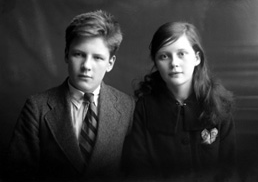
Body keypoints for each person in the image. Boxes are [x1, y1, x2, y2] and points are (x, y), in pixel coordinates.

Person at [5, 10, 135, 181]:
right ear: (67, 54)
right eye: (79, 54)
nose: (87, 66)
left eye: (97, 58)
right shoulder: (37, 107)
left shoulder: (127, 107)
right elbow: (18, 173)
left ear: (110, 63)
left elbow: (133, 171)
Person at [123, 22, 236, 181]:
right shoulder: (144, 107)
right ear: (156, 63)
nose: (174, 63)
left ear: (197, 58)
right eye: (164, 56)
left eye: (181, 54)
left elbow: (229, 168)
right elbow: (139, 168)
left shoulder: (219, 103)